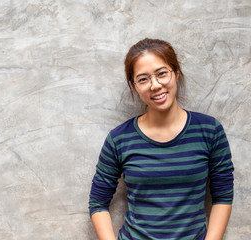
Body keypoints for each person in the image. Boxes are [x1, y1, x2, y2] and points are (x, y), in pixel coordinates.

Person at [88, 38, 234, 240]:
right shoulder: (119, 139)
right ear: (135, 86)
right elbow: (98, 203)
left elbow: (223, 196)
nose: (155, 85)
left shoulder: (209, 131)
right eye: (143, 79)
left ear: (176, 73)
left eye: (161, 74)